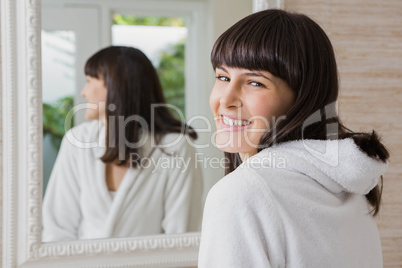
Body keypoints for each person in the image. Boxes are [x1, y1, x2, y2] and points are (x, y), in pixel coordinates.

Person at [198, 9, 389, 268]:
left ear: (303, 98)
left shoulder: (240, 194)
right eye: (222, 77)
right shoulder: (348, 186)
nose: (226, 100)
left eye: (255, 83)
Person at [42, 46, 203, 242]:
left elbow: (180, 234)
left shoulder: (175, 147)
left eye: (89, 81)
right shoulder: (77, 142)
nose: (84, 92)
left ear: (114, 85)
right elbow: (57, 227)